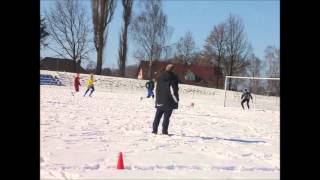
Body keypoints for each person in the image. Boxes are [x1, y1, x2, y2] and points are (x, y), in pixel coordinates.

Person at [152, 64, 179, 135]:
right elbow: (174, 90)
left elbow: (155, 84)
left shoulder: (159, 76)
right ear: (172, 69)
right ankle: (164, 132)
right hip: (169, 101)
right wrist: (176, 100)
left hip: (159, 100)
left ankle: (154, 131)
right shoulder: (173, 77)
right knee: (166, 118)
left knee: (157, 117)